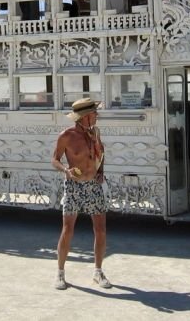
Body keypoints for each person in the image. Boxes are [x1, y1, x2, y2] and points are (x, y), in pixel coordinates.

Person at [51, 97, 111, 290]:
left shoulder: (95, 134)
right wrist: (65, 170)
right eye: (94, 113)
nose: (97, 116)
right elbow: (54, 159)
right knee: (68, 229)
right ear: (84, 116)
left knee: (100, 229)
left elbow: (101, 154)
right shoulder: (66, 136)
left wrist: (100, 172)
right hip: (74, 186)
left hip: (93, 184)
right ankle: (60, 274)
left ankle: (98, 272)